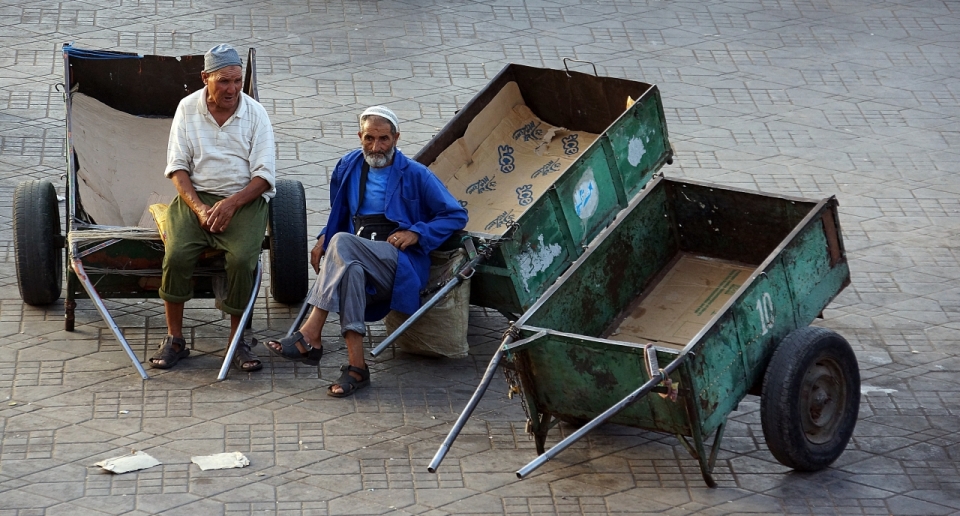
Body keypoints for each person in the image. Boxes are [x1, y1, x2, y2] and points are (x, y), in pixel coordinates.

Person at [267, 106, 467, 397]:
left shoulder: (416, 174)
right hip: (358, 250)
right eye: (369, 139)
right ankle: (357, 369)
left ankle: (310, 333)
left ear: (396, 137)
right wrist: (324, 236)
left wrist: (416, 232)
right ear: (360, 136)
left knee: (343, 243)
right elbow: (340, 212)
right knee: (352, 271)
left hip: (398, 262)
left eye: (384, 139)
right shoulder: (347, 165)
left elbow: (455, 215)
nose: (376, 147)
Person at [150, 43, 276, 372]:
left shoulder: (255, 114)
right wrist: (200, 209)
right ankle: (174, 338)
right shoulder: (187, 108)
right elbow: (177, 169)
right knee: (176, 255)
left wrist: (232, 204)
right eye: (223, 82)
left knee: (242, 259)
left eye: (237, 81)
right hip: (197, 197)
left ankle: (237, 343)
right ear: (205, 78)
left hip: (244, 198)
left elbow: (264, 176)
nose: (232, 89)